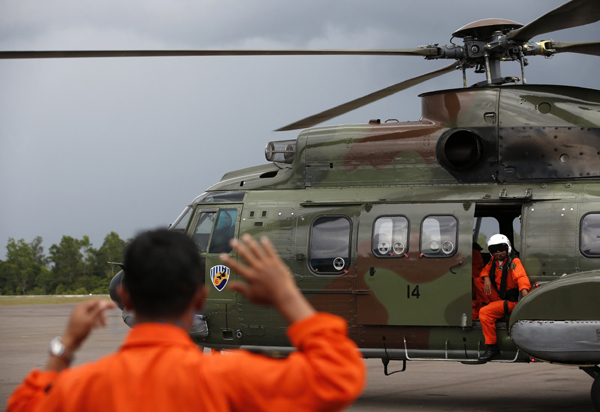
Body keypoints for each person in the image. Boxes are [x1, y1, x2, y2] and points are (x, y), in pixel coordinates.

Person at [7, 230, 365, 412]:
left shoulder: (82, 388)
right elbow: (338, 374)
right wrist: (286, 295)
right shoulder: (232, 378)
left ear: (125, 297)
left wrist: (65, 345)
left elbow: (23, 406)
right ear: (200, 297)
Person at [473, 234, 530, 362]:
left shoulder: (513, 262)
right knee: (478, 281)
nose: (498, 252)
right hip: (499, 298)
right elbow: (484, 271)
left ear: (507, 248)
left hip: (511, 302)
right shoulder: (494, 261)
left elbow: (521, 278)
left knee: (485, 313)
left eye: (501, 248)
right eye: (494, 250)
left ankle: (492, 347)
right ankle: (489, 306)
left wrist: (526, 301)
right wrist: (487, 279)